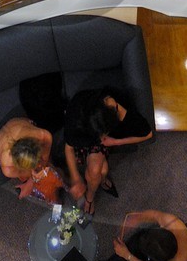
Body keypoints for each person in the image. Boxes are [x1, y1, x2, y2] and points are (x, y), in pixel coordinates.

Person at [62, 85, 153, 213]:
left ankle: (90, 198)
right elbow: (69, 147)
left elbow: (147, 134)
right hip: (85, 133)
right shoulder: (76, 118)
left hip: (103, 138)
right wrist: (76, 178)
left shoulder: (118, 108)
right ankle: (102, 180)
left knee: (95, 171)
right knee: (101, 171)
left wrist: (116, 141)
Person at [0, 116, 70, 206]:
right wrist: (32, 180)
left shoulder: (42, 135)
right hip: (2, 145)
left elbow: (44, 159)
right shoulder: (8, 168)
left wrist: (43, 165)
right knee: (45, 181)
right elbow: (32, 175)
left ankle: (64, 181)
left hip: (19, 125)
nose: (39, 163)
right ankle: (56, 199)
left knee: (48, 172)